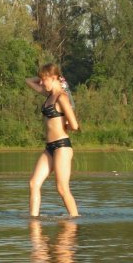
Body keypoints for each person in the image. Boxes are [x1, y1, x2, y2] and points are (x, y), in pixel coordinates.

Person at [26, 63, 79, 217]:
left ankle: (75, 220)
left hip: (62, 146)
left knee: (62, 189)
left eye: (44, 79)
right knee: (33, 183)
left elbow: (75, 125)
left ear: (54, 78)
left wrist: (67, 125)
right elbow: (28, 81)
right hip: (49, 147)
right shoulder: (48, 94)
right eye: (41, 79)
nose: (41, 83)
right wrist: (49, 76)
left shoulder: (62, 97)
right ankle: (34, 220)